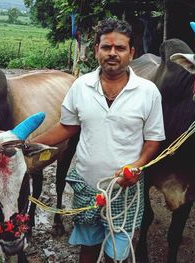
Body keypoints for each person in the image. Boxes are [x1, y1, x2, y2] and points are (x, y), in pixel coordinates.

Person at [32, 18, 165, 262]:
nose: (112, 53)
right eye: (106, 47)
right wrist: (28, 146)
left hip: (124, 190)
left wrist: (138, 165)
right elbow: (66, 126)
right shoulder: (81, 86)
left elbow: (153, 140)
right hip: (86, 187)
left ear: (131, 53)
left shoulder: (148, 92)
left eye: (120, 48)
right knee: (88, 247)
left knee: (117, 254)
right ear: (96, 50)